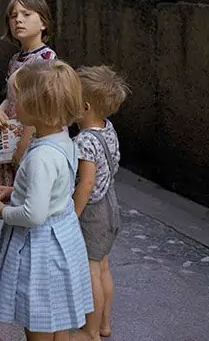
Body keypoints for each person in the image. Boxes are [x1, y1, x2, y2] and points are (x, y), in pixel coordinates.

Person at [0, 60, 93, 341]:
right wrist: (13, 191)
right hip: (62, 238)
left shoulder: (42, 157)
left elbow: (34, 214)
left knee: (38, 323)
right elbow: (54, 189)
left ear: (39, 108)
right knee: (57, 318)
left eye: (17, 99)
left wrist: (3, 211)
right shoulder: (62, 140)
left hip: (40, 247)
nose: (12, 104)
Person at [72, 66, 129, 341]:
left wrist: (73, 214)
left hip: (92, 213)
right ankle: (105, 324)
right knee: (103, 266)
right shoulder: (108, 129)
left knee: (91, 270)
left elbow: (85, 184)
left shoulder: (84, 141)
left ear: (83, 107)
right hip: (111, 205)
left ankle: (90, 331)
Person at [0, 0, 57, 188]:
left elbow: (40, 107)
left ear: (43, 22)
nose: (18, 19)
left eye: (26, 14)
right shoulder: (15, 59)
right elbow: (11, 97)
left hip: (30, 137)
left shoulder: (46, 59)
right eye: (13, 15)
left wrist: (24, 144)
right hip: (10, 134)